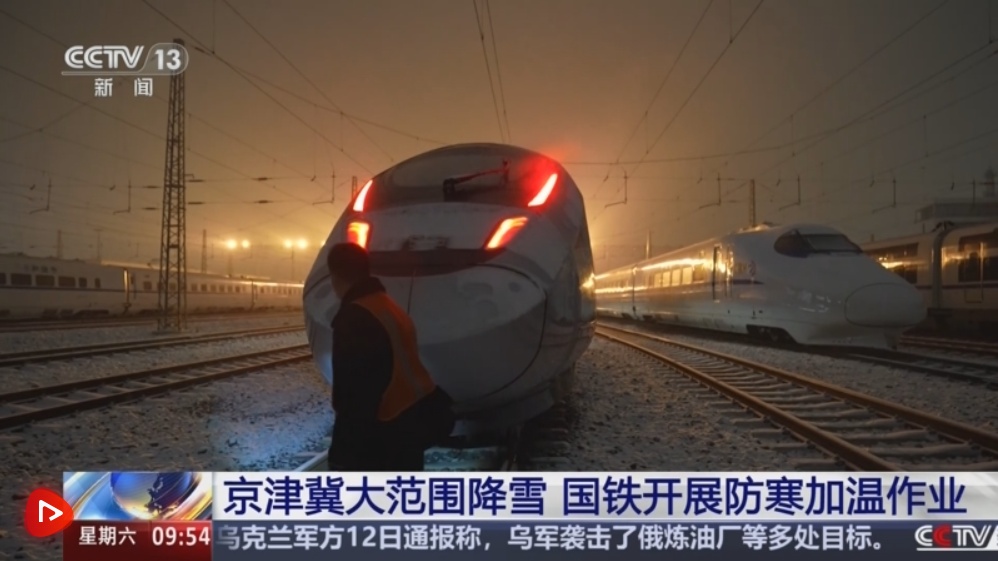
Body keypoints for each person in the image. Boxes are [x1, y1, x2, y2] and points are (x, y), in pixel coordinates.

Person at [325, 242, 455, 470]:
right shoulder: (389, 307)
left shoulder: (354, 318)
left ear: (334, 276)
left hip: (383, 439)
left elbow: (355, 397)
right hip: (409, 426)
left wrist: (343, 455)